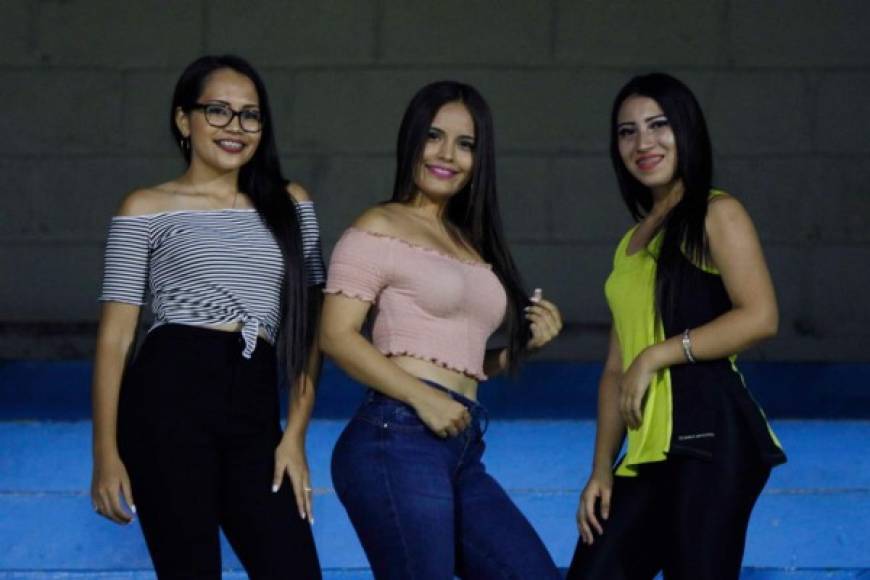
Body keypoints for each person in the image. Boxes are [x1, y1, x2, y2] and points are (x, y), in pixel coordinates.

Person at [89, 55, 323, 579]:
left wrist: (296, 434)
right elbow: (116, 337)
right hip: (167, 400)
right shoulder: (145, 206)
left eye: (249, 115)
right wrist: (105, 452)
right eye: (217, 111)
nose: (235, 128)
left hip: (255, 405)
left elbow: (311, 329)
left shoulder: (291, 203)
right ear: (182, 120)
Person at [320, 80, 564, 579]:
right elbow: (337, 336)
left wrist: (522, 350)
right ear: (411, 140)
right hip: (396, 434)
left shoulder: (468, 244)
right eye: (434, 137)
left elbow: (459, 363)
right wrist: (423, 399)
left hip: (460, 443)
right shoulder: (380, 225)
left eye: (465, 144)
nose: (447, 155)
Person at [567, 73, 787, 580]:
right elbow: (614, 370)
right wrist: (602, 467)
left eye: (658, 125)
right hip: (645, 455)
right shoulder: (629, 244)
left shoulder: (717, 212)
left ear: (686, 130)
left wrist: (658, 354)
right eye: (627, 131)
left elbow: (760, 315)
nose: (643, 143)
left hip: (712, 438)